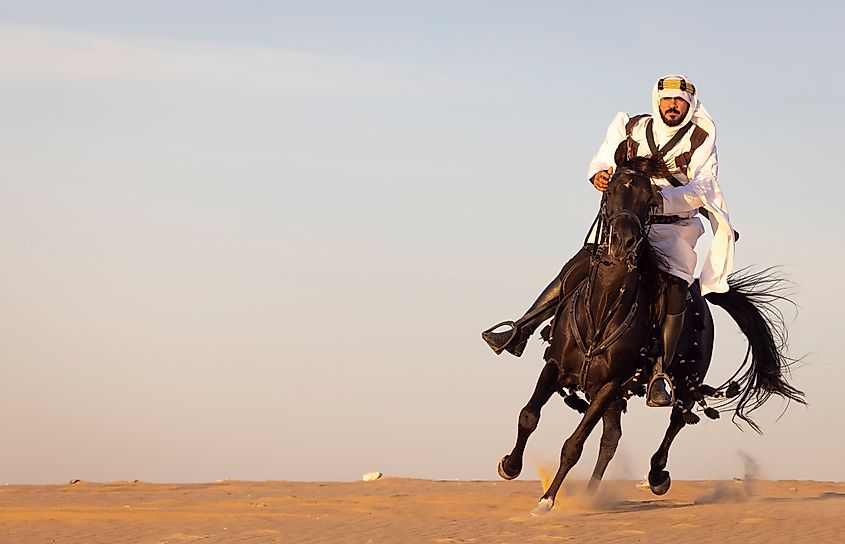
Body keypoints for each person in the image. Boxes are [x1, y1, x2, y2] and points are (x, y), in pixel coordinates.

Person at [482, 74, 735, 407]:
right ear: (657, 101)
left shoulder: (702, 137)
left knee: (675, 288)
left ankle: (660, 372)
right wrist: (598, 175)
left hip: (673, 227)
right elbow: (602, 159)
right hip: (626, 222)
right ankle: (521, 329)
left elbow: (702, 189)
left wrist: (661, 198)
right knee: (580, 264)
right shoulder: (629, 127)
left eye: (680, 101)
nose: (673, 106)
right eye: (668, 100)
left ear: (689, 105)